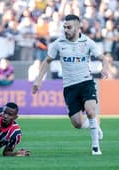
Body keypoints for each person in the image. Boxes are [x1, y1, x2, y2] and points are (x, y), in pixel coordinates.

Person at [32, 15, 109, 156]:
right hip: (69, 87)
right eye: (64, 27)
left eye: (69, 27)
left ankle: (95, 147)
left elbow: (103, 58)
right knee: (77, 124)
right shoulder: (58, 44)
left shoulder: (88, 42)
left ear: (77, 28)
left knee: (91, 111)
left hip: (86, 82)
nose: (66, 30)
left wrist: (104, 67)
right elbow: (46, 62)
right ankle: (95, 125)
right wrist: (38, 80)